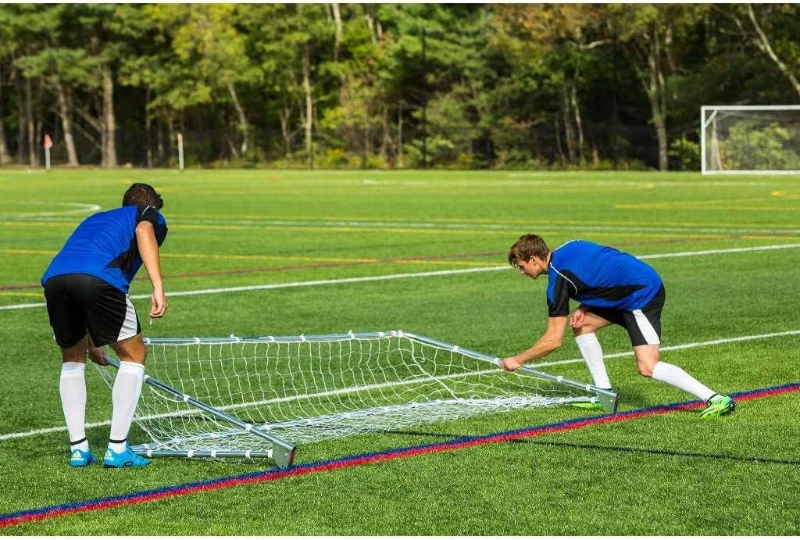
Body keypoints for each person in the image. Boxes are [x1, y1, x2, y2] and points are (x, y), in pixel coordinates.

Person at [500, 234, 735, 419]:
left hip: (642, 295)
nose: (522, 272)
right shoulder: (571, 245)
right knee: (582, 325)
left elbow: (553, 340)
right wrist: (586, 305)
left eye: (521, 266)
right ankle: (604, 394)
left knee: (647, 366)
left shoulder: (558, 281)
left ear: (534, 259)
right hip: (630, 288)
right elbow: (604, 268)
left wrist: (518, 360)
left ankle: (716, 398)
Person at [41, 183, 168, 468]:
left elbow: (79, 277)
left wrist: (94, 341)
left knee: (73, 358)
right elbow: (144, 231)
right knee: (134, 355)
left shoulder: (95, 218)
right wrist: (158, 286)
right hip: (98, 279)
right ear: (151, 206)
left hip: (55, 280)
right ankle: (118, 449)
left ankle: (79, 449)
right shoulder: (146, 214)